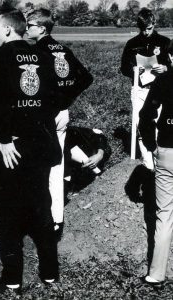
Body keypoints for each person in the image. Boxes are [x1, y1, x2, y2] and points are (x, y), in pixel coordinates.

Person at [0, 7, 64, 296]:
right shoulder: (43, 54)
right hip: (40, 146)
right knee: (41, 211)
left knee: (8, 217)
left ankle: (12, 280)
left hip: (12, 148)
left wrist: (4, 140)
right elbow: (54, 96)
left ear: (6, 29)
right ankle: (51, 275)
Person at [26, 8, 93, 234]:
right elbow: (86, 77)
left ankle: (41, 217)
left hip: (43, 114)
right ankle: (56, 218)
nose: (26, 29)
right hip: (62, 113)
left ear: (41, 28)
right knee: (57, 165)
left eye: (30, 25)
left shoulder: (34, 52)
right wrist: (66, 99)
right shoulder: (63, 50)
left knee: (38, 165)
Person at [138, 40, 173, 286]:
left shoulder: (164, 79)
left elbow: (145, 115)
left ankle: (156, 274)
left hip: (168, 150)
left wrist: (150, 146)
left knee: (164, 214)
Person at [120, 7, 170, 170]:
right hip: (139, 89)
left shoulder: (164, 42)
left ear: (154, 24)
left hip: (160, 90)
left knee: (159, 125)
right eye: (142, 29)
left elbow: (171, 65)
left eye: (148, 28)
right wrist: (133, 70)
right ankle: (149, 166)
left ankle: (161, 164)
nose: (145, 33)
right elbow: (123, 68)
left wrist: (166, 69)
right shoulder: (132, 43)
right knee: (141, 125)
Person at [64, 126, 111, 192]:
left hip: (94, 159)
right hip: (76, 176)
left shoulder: (72, 131)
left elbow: (98, 134)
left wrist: (99, 154)